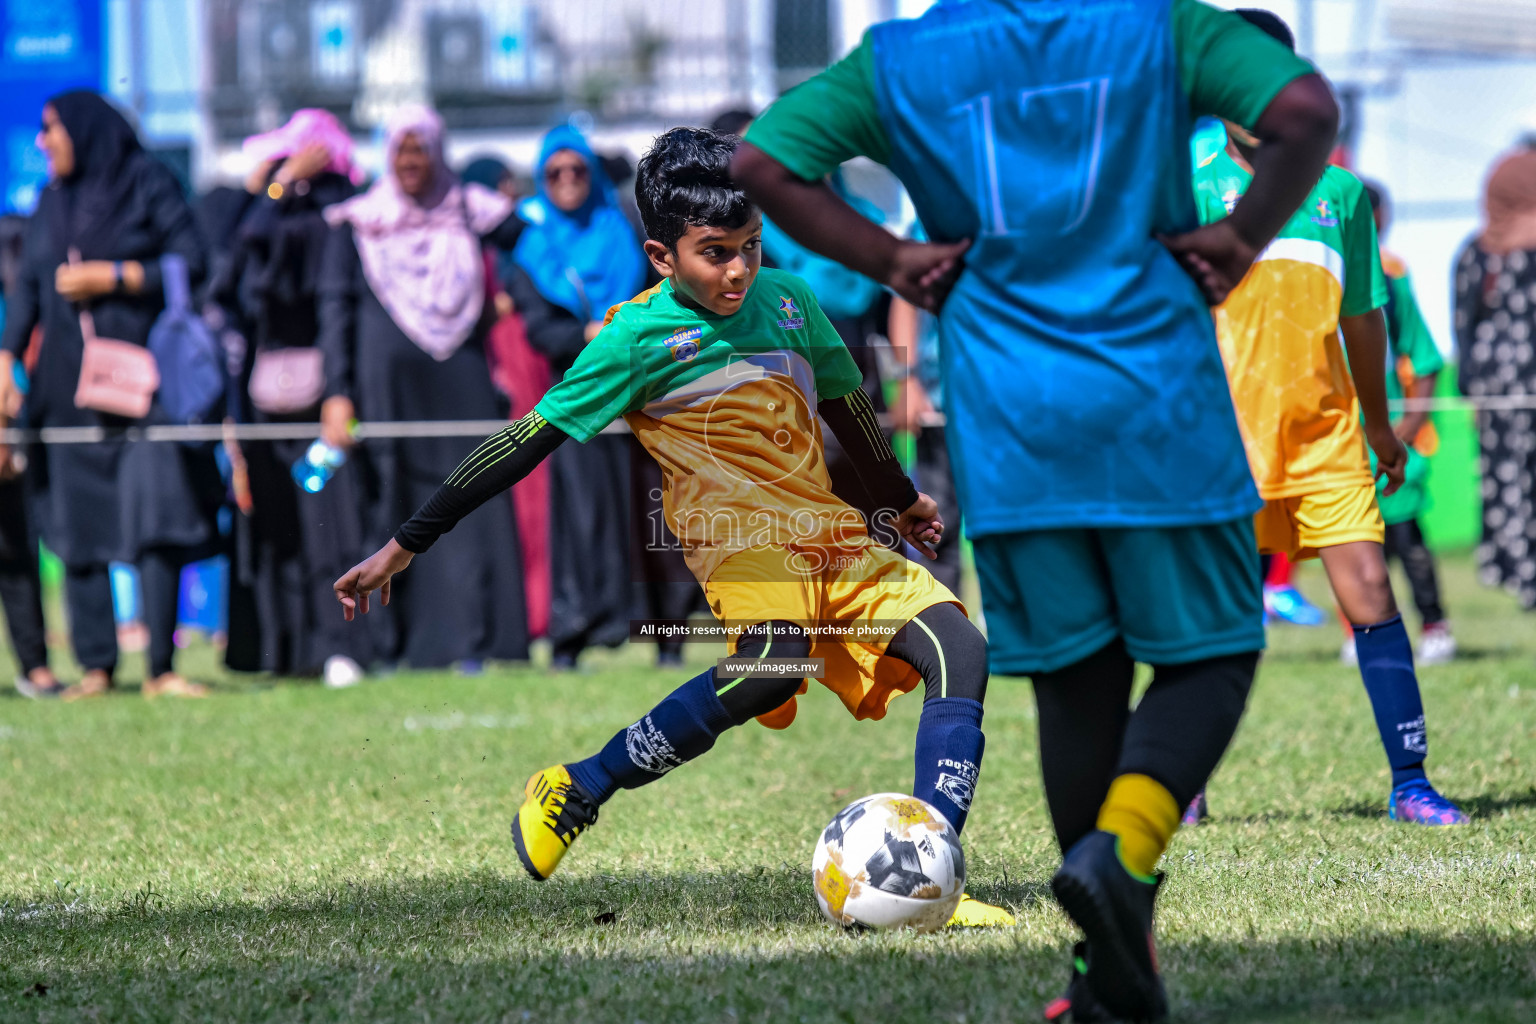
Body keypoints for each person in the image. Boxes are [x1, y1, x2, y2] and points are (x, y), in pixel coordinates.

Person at [730, 1, 1340, 1018]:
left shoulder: (906, 55)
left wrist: (891, 260)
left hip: (1012, 422)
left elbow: (759, 164)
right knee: (1214, 653)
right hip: (1157, 402)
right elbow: (1305, 109)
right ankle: (1123, 852)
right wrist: (1238, 237)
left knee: (1074, 686)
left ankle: (1107, 979)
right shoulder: (1159, 27)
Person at [334, 126, 1009, 928]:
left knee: (959, 648)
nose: (739, 270)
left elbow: (848, 406)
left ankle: (932, 878)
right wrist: (405, 542)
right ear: (661, 256)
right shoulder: (633, 338)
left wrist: (896, 499)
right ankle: (578, 787)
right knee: (772, 668)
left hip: (827, 532)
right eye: (716, 253)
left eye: (751, 246)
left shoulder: (790, 299)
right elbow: (525, 443)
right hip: (737, 541)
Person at [1191, 11, 1464, 828]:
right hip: (1220, 448)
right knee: (1214, 622)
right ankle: (1185, 788)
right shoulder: (1181, 180)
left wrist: (1380, 427)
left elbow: (1364, 320)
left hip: (1326, 439)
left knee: (1371, 591)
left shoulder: (1338, 193)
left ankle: (1411, 782)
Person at [0, 91, 217, 700]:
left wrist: (116, 275)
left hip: (141, 387)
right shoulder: (50, 200)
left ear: (86, 129)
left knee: (156, 518)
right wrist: (7, 355)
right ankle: (96, 666)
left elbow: (195, 261)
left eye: (52, 129)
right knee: (75, 524)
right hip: (66, 392)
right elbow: (31, 293)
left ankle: (160, 668)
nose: (43, 142)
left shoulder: (145, 181)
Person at [318, 105, 528, 671]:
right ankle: (392, 646)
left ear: (438, 152)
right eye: (401, 151)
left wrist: (515, 303)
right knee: (393, 504)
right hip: (385, 391)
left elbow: (535, 250)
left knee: (471, 499)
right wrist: (336, 390)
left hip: (459, 381)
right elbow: (334, 312)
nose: (411, 162)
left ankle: (476, 641)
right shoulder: (358, 222)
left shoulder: (471, 210)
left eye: (421, 150)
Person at [217, 109, 374, 686]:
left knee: (326, 522)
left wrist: (338, 393)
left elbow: (336, 309)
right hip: (263, 406)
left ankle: (340, 647)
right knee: (276, 526)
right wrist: (271, 190)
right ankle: (287, 649)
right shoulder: (264, 213)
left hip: (320, 405)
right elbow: (227, 274)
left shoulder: (337, 215)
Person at [505, 126, 650, 668]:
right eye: (554, 173)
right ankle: (571, 633)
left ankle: (643, 627)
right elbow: (537, 324)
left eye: (577, 171)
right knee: (574, 513)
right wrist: (586, 335)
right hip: (567, 395)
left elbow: (649, 301)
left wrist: (615, 333)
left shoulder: (623, 233)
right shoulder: (534, 245)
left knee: (634, 508)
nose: (567, 182)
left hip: (631, 389)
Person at [1355, 179, 1456, 664]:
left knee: (1407, 540)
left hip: (1389, 437)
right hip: (1332, 440)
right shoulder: (1308, 270)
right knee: (1352, 546)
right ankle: (1364, 632)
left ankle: (1435, 625)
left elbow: (1424, 353)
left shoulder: (1391, 277)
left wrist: (1411, 424)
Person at [1455, 147, 1536, 612]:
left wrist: (1469, 381)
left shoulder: (1479, 251)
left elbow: (1465, 320)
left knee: (1509, 478)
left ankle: (1517, 571)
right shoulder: (1484, 251)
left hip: (1499, 388)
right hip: (1507, 389)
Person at [0, 213, 60, 698]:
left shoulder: (25, 301)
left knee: (16, 549)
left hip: (13, 436)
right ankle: (35, 665)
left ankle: (35, 664)